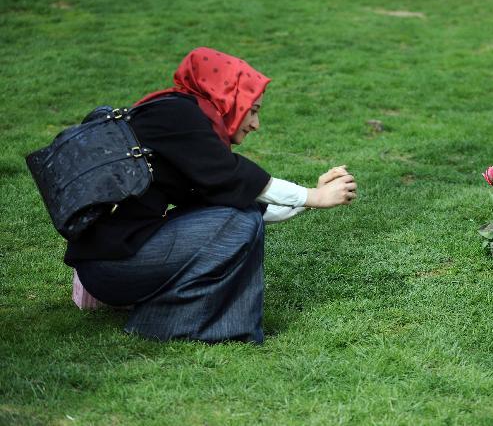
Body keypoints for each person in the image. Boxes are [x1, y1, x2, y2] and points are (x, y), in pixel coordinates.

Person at [64, 47, 356, 343]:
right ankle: (166, 324)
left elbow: (243, 199)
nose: (256, 124)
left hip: (117, 260)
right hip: (110, 267)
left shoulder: (187, 121)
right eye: (252, 110)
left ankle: (220, 324)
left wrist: (313, 198)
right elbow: (236, 177)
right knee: (239, 220)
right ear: (230, 97)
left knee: (241, 216)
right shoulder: (177, 115)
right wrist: (312, 196)